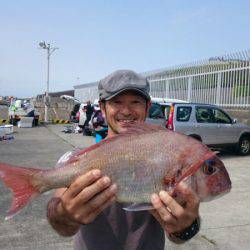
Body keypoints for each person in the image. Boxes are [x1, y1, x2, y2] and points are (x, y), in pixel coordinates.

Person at [47, 70, 200, 250]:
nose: (126, 111)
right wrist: (64, 214)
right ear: (103, 108)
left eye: (135, 102)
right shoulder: (77, 159)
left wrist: (185, 227)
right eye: (116, 102)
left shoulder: (166, 159)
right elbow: (62, 226)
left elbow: (179, 235)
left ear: (147, 106)